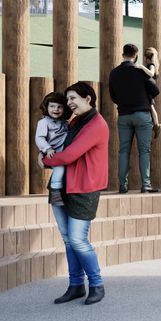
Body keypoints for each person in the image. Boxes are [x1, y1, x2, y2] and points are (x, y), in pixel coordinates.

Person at [42, 82, 109, 305]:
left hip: (84, 189)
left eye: (73, 98)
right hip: (63, 186)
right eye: (68, 99)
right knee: (68, 240)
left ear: (88, 98)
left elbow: (70, 154)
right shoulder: (75, 121)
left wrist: (44, 161)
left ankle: (97, 285)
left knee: (78, 240)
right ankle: (76, 285)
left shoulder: (97, 125)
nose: (68, 103)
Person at [108, 43, 161, 193]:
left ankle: (122, 185)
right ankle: (145, 185)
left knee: (123, 151)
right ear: (136, 56)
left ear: (122, 55)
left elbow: (113, 97)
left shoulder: (114, 73)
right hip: (142, 115)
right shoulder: (140, 71)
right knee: (144, 151)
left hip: (124, 116)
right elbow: (155, 90)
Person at [34, 92, 70, 206]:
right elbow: (39, 138)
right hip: (52, 151)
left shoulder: (65, 123)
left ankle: (62, 189)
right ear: (46, 107)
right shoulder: (44, 122)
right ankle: (55, 192)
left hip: (64, 152)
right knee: (59, 169)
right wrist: (47, 149)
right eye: (52, 106)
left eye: (60, 107)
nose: (56, 109)